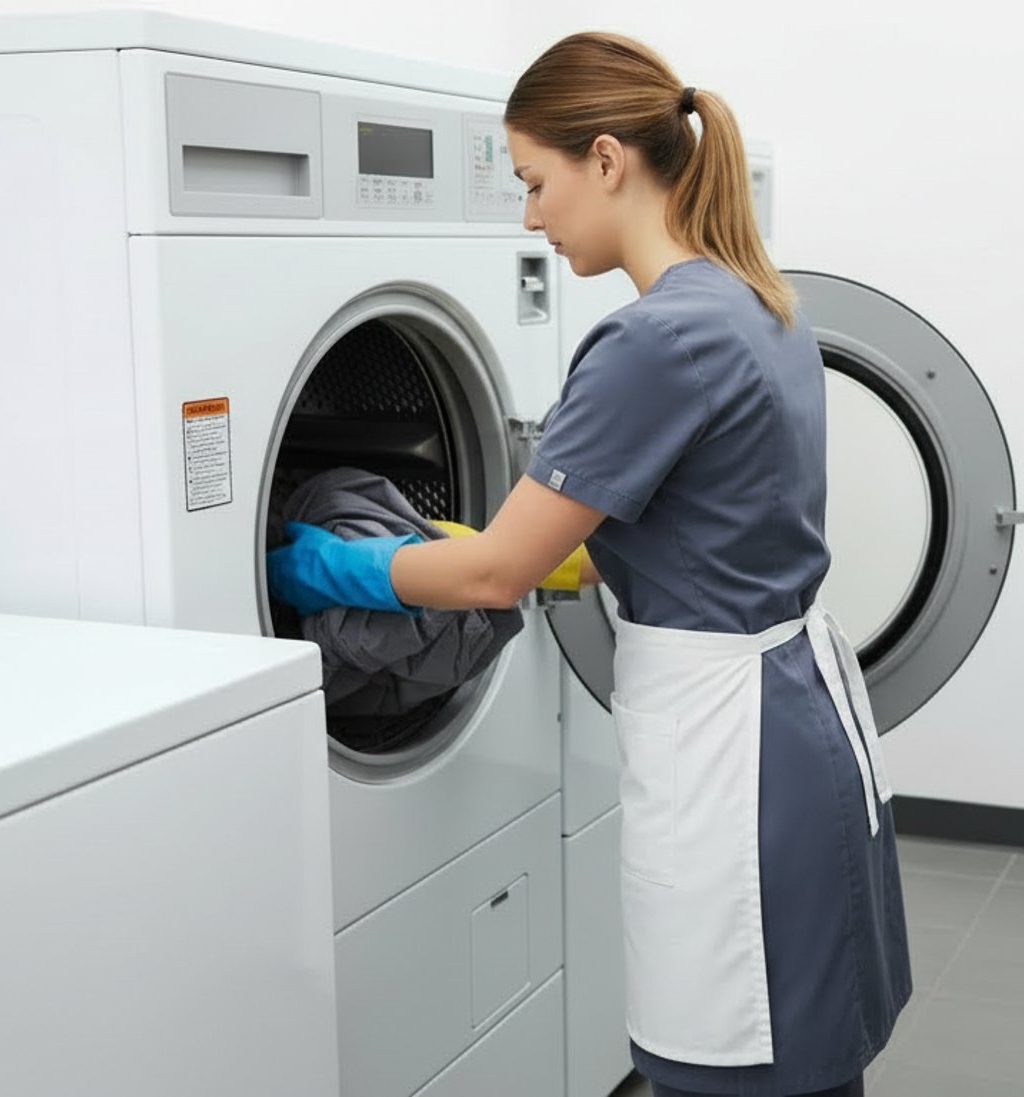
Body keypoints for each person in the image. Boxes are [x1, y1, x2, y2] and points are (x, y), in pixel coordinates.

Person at [266, 31, 910, 1097]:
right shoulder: (760, 300)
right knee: (804, 1059)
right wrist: (555, 553)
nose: (529, 216)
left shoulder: (653, 340)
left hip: (730, 755)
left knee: (736, 1064)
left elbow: (490, 581)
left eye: (533, 181)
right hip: (796, 718)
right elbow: (710, 518)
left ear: (606, 158)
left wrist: (316, 563)